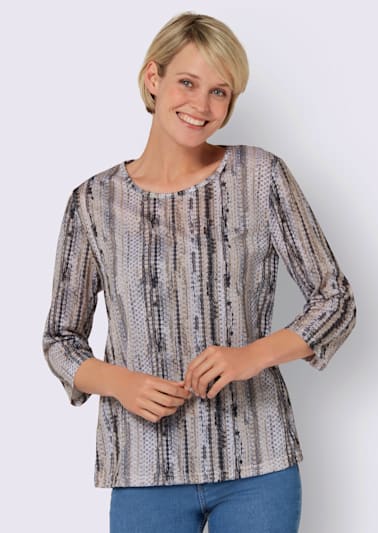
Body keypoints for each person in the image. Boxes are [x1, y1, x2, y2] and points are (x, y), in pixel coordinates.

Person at [42, 11, 357, 533]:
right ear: (154, 77)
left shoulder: (261, 176)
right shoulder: (94, 202)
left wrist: (250, 356)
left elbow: (335, 300)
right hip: (143, 467)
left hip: (258, 463)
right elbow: (60, 339)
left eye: (219, 92)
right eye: (187, 82)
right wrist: (121, 382)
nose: (202, 105)